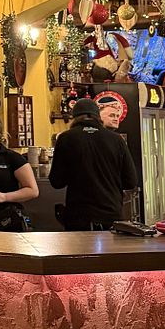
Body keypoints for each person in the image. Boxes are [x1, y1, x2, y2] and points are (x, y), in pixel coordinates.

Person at [49, 98, 139, 230]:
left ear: (74, 117)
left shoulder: (66, 138)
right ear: (98, 116)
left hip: (79, 216)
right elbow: (131, 181)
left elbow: (56, 181)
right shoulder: (116, 140)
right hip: (111, 214)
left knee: (80, 244)